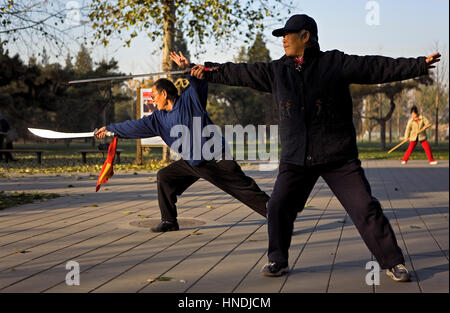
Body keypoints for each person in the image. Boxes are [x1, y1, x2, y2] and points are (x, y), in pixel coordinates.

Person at [191, 14, 440, 282]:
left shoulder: (334, 63)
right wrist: (206, 70)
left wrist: (417, 65)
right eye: (281, 36)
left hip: (338, 156)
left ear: (306, 36)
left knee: (365, 207)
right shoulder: (277, 71)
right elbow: (240, 72)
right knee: (277, 205)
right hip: (296, 158)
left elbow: (374, 67)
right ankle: (277, 260)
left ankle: (393, 262)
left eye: (288, 34)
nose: (283, 39)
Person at [95, 51, 269, 232]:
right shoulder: (157, 119)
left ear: (164, 94)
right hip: (193, 162)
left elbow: (198, 82)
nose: (152, 101)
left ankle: (278, 215)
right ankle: (169, 221)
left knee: (246, 191)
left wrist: (187, 67)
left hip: (215, 158)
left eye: (154, 96)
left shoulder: (190, 101)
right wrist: (110, 129)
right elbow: (133, 126)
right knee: (165, 177)